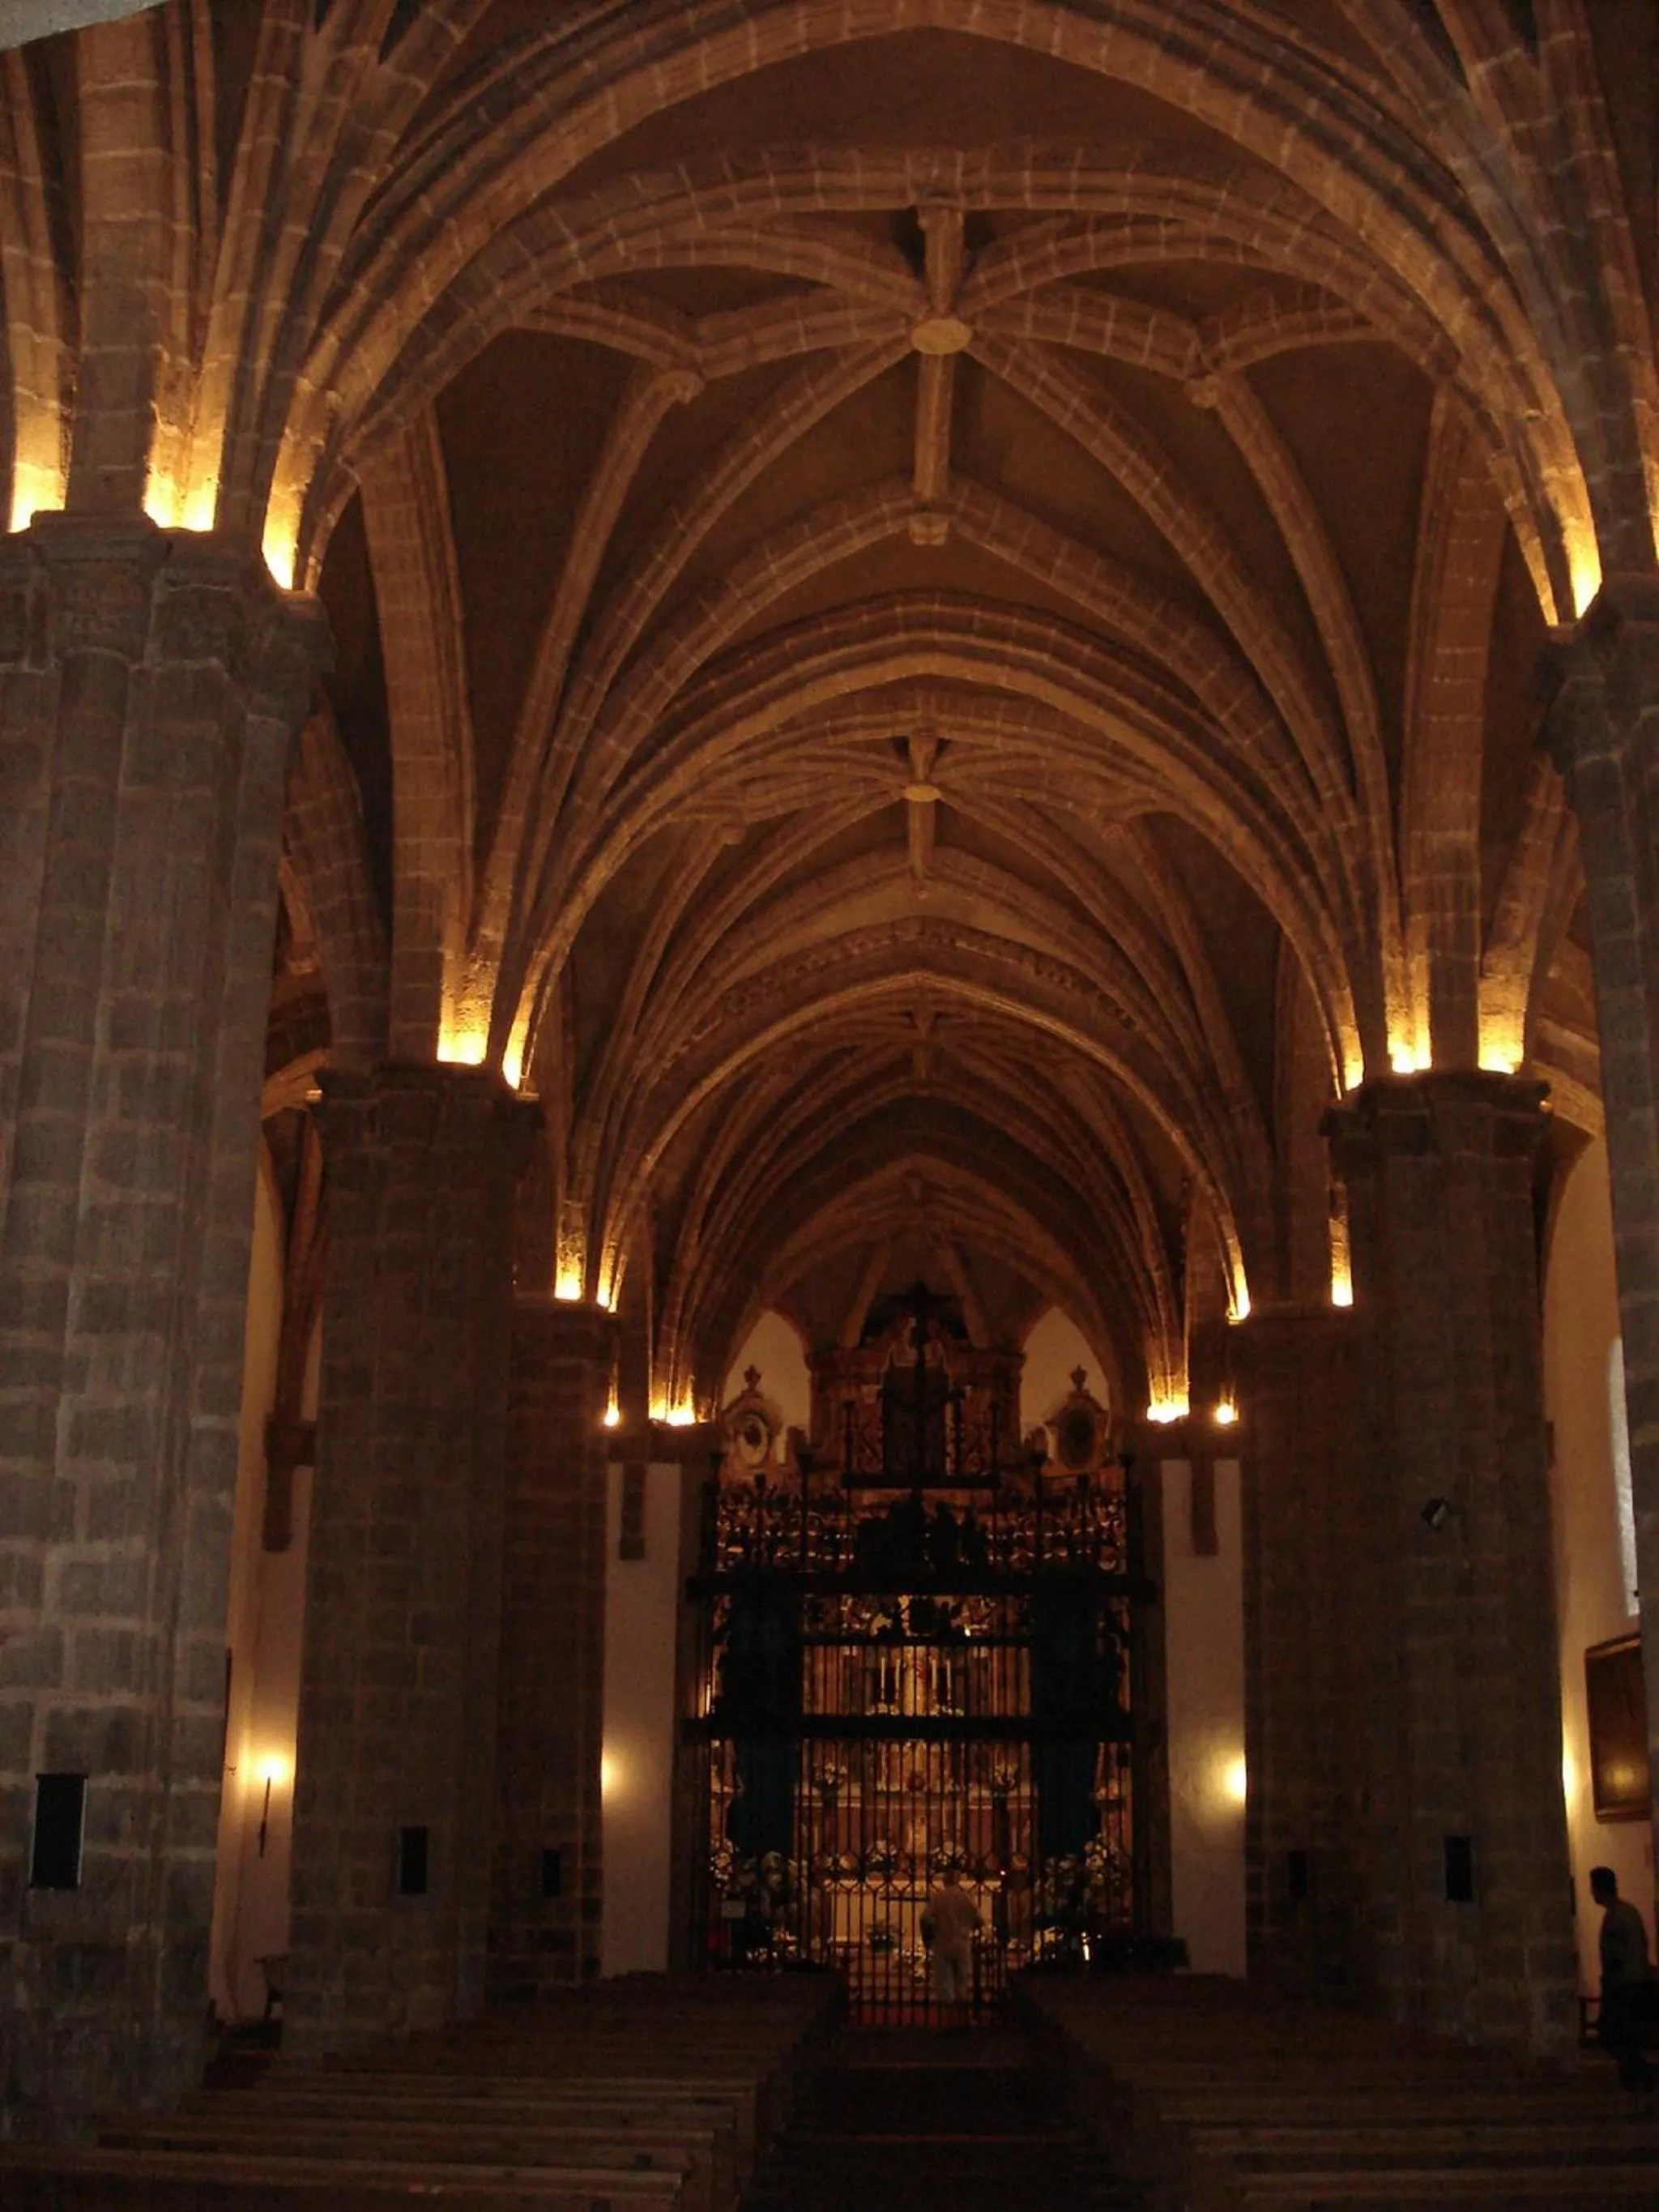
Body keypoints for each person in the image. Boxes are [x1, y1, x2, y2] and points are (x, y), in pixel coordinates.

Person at [1590, 1865, 1656, 2095]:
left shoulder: (1621, 1916)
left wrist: (1621, 1980)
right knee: (1620, 2037)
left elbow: (1626, 1953)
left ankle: (1640, 2079)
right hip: (1625, 1984)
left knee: (1620, 2036)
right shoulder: (1621, 1913)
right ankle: (1636, 2081)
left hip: (1626, 1987)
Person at [920, 1864, 981, 2025]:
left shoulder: (939, 1897)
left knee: (945, 1980)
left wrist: (929, 1937)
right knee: (962, 1978)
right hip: (961, 1941)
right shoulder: (965, 1897)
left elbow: (925, 1918)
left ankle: (948, 2020)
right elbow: (979, 1919)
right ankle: (962, 2019)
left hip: (943, 1941)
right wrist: (966, 1927)